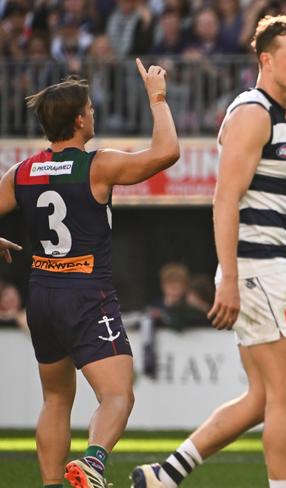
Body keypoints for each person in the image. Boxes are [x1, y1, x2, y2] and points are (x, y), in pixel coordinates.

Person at [130, 15, 286, 488]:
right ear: (266, 60)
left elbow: (276, 209)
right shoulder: (254, 113)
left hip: (265, 268)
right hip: (259, 272)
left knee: (262, 397)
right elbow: (224, 198)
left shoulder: (277, 117)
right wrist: (230, 277)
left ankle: (165, 476)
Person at [0, 59, 180, 488]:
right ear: (79, 120)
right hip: (86, 292)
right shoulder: (97, 165)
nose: (94, 114)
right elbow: (167, 152)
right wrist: (157, 97)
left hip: (41, 294)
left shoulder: (21, 172)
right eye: (91, 109)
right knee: (118, 394)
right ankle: (94, 463)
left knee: (56, 399)